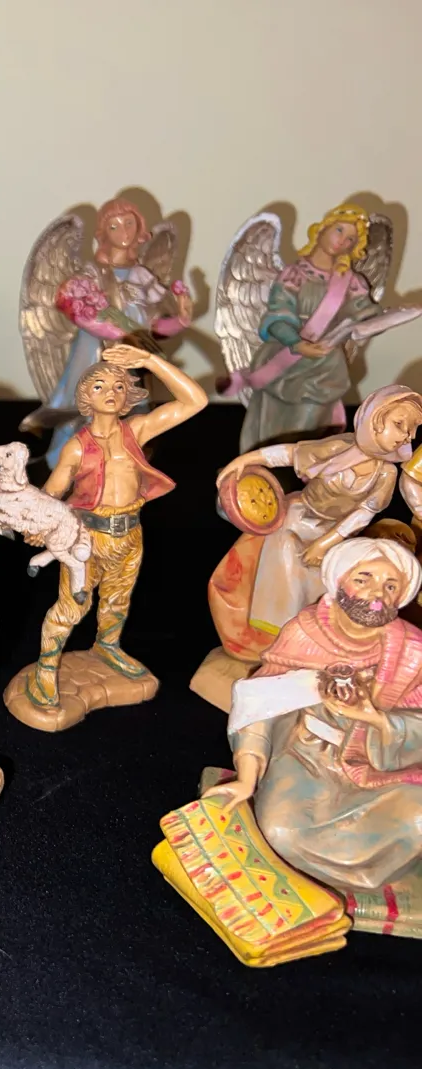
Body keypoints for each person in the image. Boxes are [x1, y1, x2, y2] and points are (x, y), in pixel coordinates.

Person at [207, 538, 422, 898]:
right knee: (281, 832)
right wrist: (246, 778)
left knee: (417, 821)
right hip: (307, 758)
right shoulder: (303, 633)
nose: (376, 593)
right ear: (339, 581)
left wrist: (377, 720)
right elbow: (260, 703)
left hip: (379, 765)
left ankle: (369, 881)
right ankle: (309, 878)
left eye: (390, 585)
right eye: (364, 578)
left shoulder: (412, 651)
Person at [21, 343, 206, 707]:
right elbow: (52, 492)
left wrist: (150, 361)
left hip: (130, 534)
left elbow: (195, 401)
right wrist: (36, 523)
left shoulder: (136, 431)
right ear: (85, 398)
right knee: (72, 606)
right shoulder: (76, 448)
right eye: (100, 386)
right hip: (87, 539)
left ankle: (107, 646)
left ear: (127, 399)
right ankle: (47, 665)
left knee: (118, 600)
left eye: (119, 386)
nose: (111, 391)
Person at [210, 385, 422, 659]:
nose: (407, 435)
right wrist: (244, 461)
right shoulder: (339, 447)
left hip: (338, 533)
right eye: (399, 424)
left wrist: (325, 543)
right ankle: (276, 635)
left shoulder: (385, 475)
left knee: (331, 576)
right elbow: (290, 454)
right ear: (375, 417)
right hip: (298, 517)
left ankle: (314, 635)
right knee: (285, 552)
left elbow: (362, 515)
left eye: (412, 429)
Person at [30, 199, 191, 468]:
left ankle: (121, 463)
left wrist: (181, 321)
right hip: (96, 352)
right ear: (103, 233)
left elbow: (152, 327)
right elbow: (78, 313)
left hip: (131, 356)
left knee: (132, 407)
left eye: (129, 224)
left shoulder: (142, 275)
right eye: (114, 226)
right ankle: (66, 463)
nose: (124, 231)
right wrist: (117, 332)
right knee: (87, 405)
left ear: (139, 228)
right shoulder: (93, 274)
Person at [224, 204, 383, 452]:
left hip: (324, 366)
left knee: (307, 432)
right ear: (321, 229)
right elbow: (278, 315)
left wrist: (385, 317)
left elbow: (365, 314)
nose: (343, 241)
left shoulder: (351, 282)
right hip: (285, 359)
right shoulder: (294, 274)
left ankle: (298, 473)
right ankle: (261, 470)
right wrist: (297, 343)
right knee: (271, 429)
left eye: (351, 239)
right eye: (339, 230)